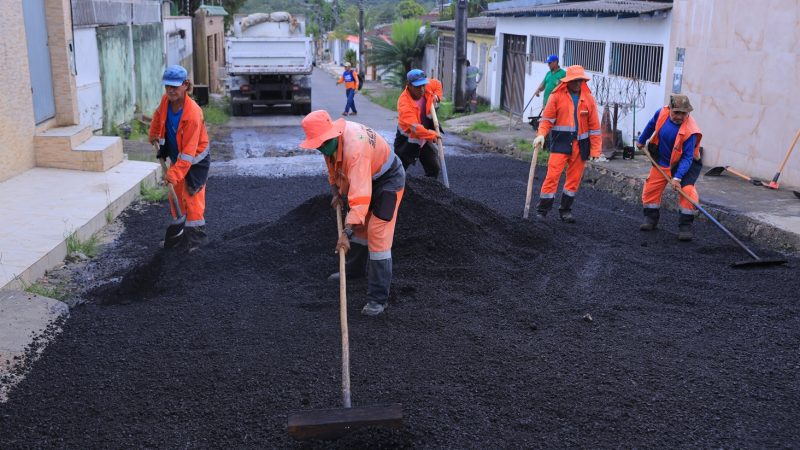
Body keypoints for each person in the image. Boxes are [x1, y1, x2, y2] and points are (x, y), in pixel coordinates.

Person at [299, 110, 406, 316]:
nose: (321, 148)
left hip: (388, 179)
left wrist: (345, 234)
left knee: (377, 232)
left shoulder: (355, 150)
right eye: (317, 145)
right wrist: (336, 194)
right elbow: (333, 167)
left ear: (334, 134)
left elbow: (359, 197)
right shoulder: (330, 143)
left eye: (323, 143)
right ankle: (355, 270)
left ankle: (378, 299)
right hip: (367, 176)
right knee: (361, 227)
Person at [149, 65, 210, 252]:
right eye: (167, 86)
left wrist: (173, 174)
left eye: (175, 86)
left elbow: (189, 153)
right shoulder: (166, 101)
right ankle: (180, 238)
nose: (170, 90)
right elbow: (158, 116)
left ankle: (196, 241)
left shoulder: (193, 115)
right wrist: (153, 134)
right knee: (174, 193)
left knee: (192, 198)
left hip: (195, 160)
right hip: (178, 158)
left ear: (185, 85)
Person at [532, 65, 601, 223]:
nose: (577, 83)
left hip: (581, 146)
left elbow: (595, 128)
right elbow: (547, 120)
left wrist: (595, 150)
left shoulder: (589, 99)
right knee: (552, 176)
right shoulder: (556, 97)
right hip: (560, 142)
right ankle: (542, 211)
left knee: (574, 180)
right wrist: (541, 135)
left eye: (580, 80)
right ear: (567, 81)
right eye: (575, 80)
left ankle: (565, 210)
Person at [636, 94, 703, 241]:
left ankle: (685, 227)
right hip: (662, 161)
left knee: (688, 192)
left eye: (683, 113)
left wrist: (677, 178)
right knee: (651, 189)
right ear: (670, 109)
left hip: (683, 165)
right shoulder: (662, 113)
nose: (679, 116)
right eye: (676, 112)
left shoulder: (691, 131)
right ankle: (650, 219)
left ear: (688, 113)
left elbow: (687, 157)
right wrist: (641, 140)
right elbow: (651, 125)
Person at [394, 69, 444, 177]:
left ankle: (428, 187)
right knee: (398, 172)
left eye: (423, 85)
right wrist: (432, 135)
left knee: (434, 168)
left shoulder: (426, 86)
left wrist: (436, 96)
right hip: (407, 141)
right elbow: (416, 128)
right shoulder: (404, 104)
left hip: (424, 139)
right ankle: (396, 187)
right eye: (418, 87)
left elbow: (438, 84)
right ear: (409, 85)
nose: (422, 89)